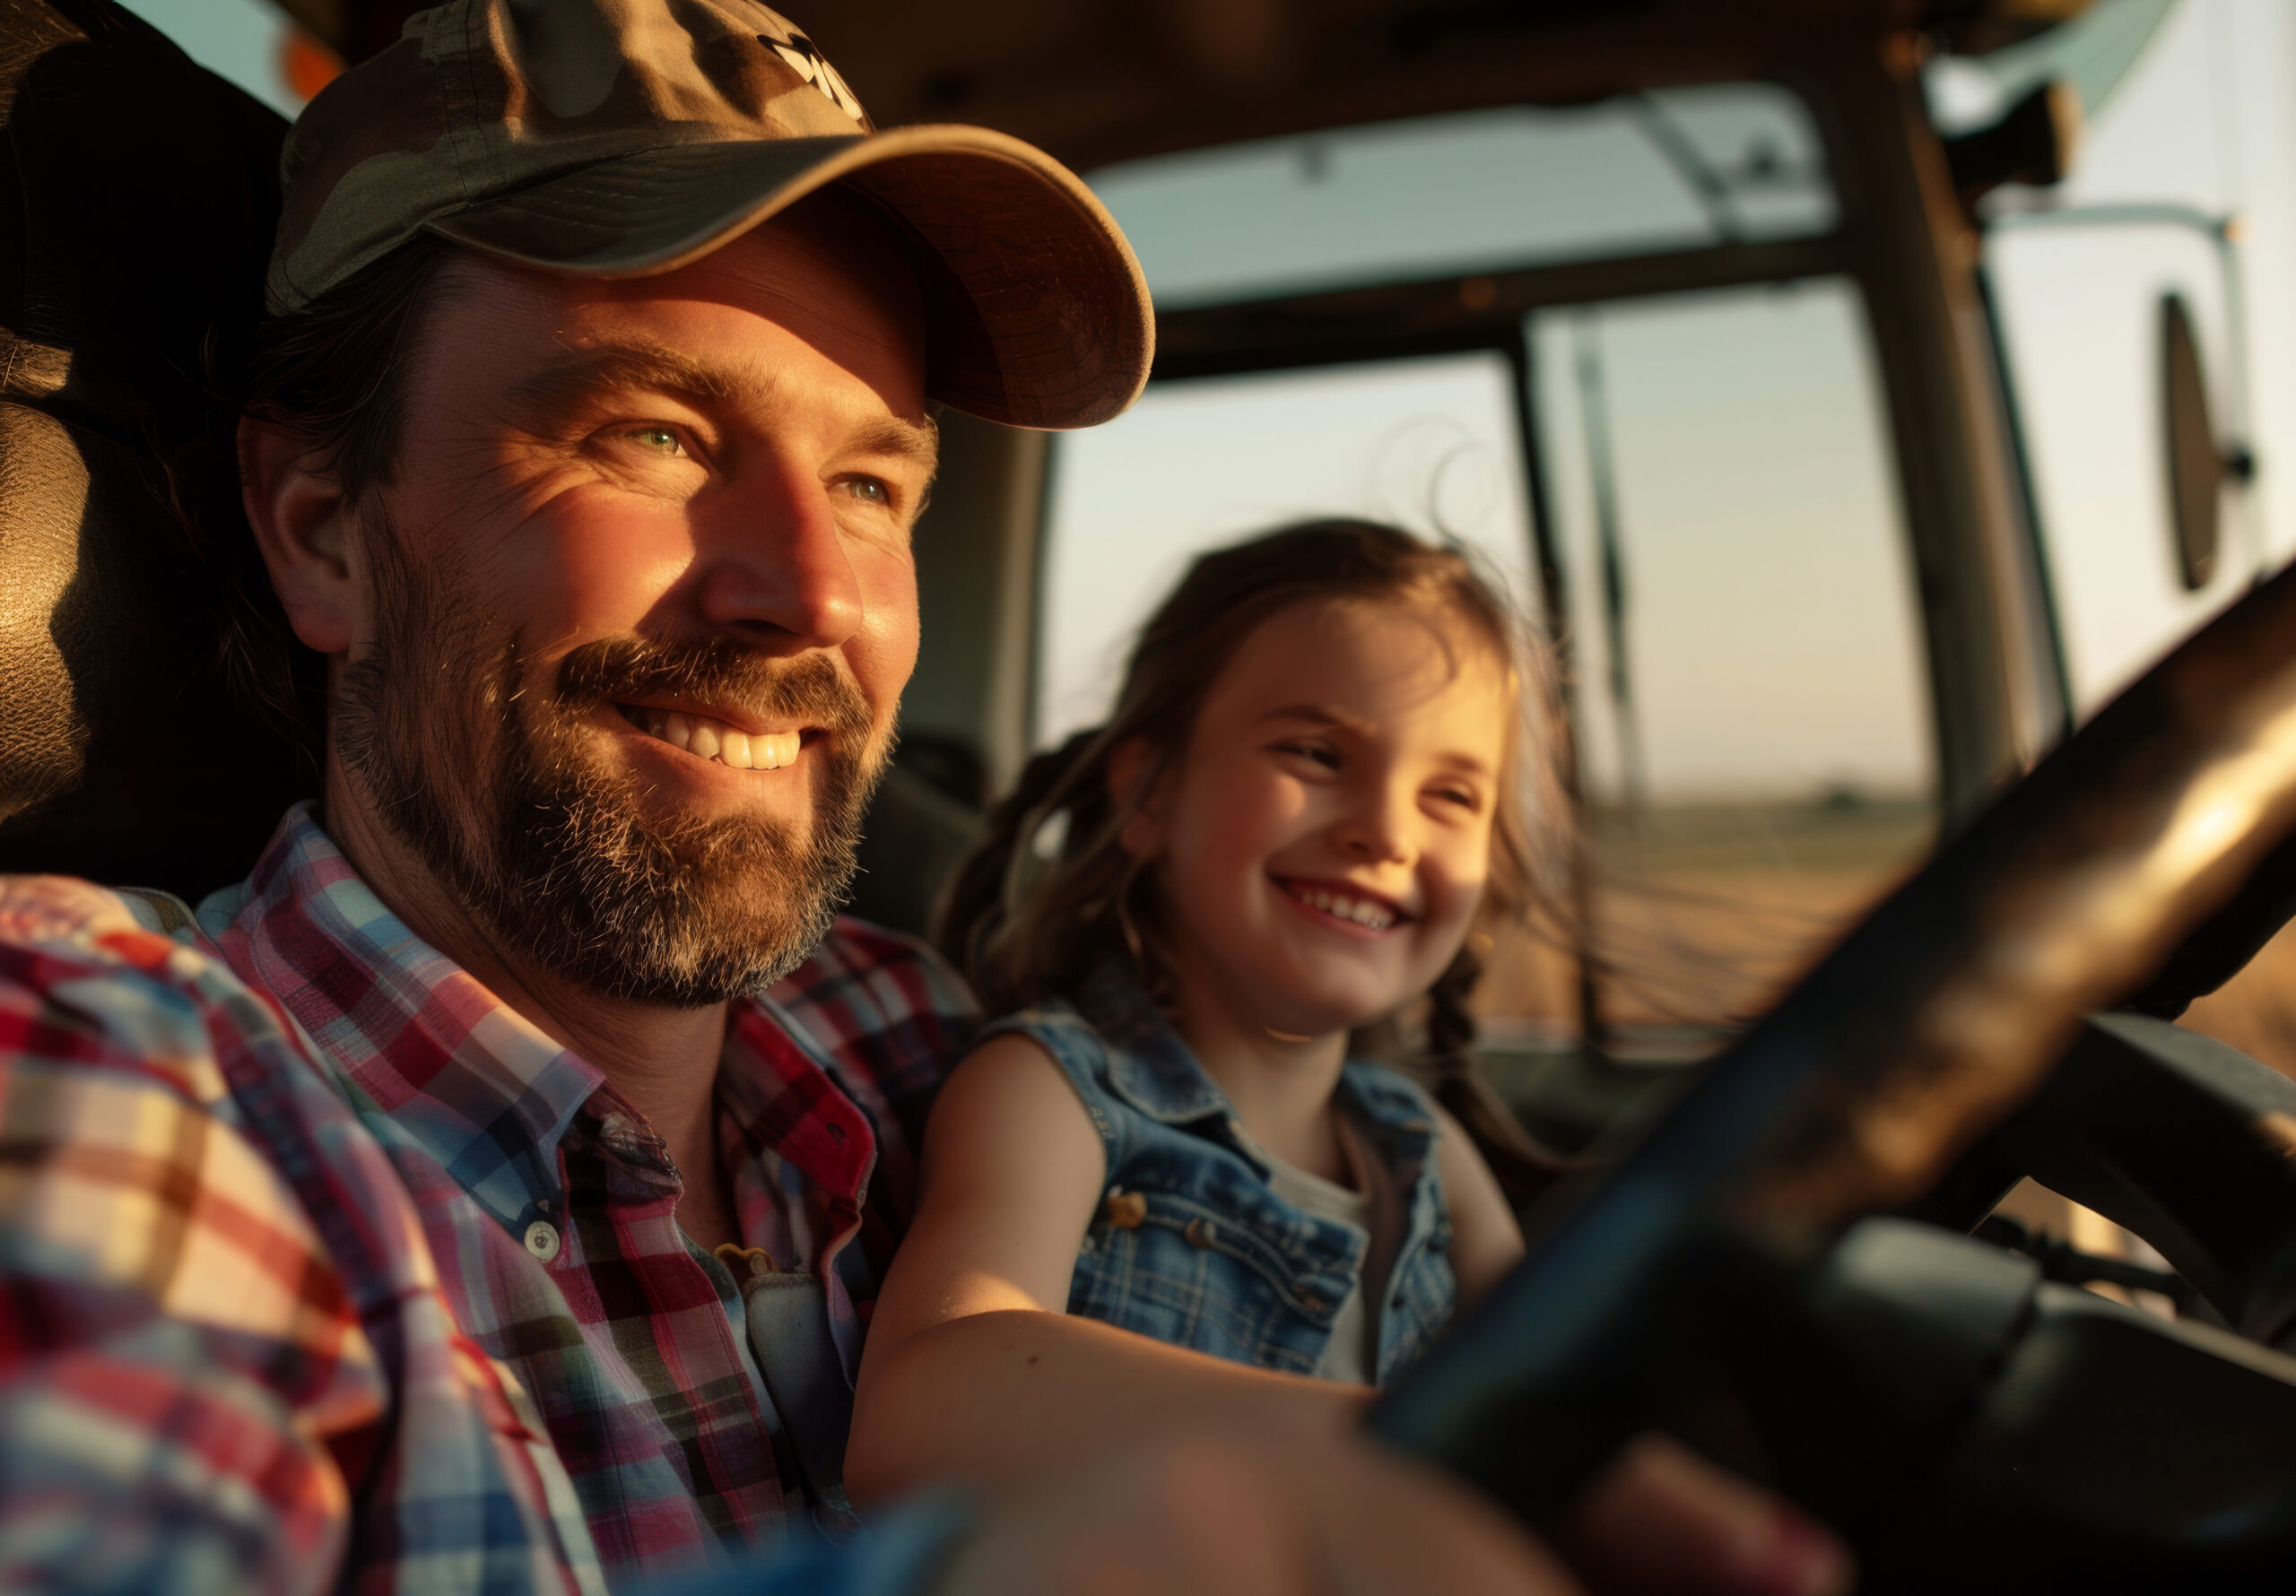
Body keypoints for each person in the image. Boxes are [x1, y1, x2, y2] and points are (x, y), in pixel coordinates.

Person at [0, 2, 1848, 1592]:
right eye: (656, 432)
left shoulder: (920, 1035)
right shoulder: (120, 1083)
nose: (816, 595)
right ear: (321, 528)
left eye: (873, 485)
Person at [848, 522, 1540, 1495]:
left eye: (1453, 795)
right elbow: (922, 1410)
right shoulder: (1056, 1093)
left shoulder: (1422, 1150)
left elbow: (1554, 1394)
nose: (1387, 831)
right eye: (1316, 754)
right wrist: (1401, 1443)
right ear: (1150, 794)